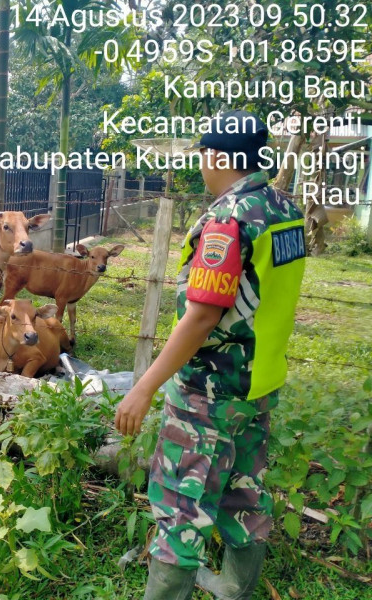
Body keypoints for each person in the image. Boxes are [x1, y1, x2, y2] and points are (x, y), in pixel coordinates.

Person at [114, 110, 306, 600]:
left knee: (181, 508)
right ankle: (236, 589)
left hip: (209, 394)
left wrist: (143, 387)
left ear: (218, 156)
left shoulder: (228, 219)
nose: (200, 164)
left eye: (202, 154)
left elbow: (200, 317)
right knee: (245, 494)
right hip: (258, 385)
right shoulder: (285, 210)